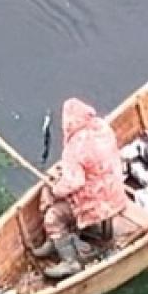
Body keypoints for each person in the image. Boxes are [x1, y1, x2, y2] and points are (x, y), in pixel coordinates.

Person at [31, 98, 129, 280]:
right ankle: (54, 240)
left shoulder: (74, 148)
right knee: (56, 182)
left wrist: (56, 189)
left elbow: (73, 182)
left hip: (95, 205)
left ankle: (70, 261)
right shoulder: (102, 129)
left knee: (53, 216)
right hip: (115, 193)